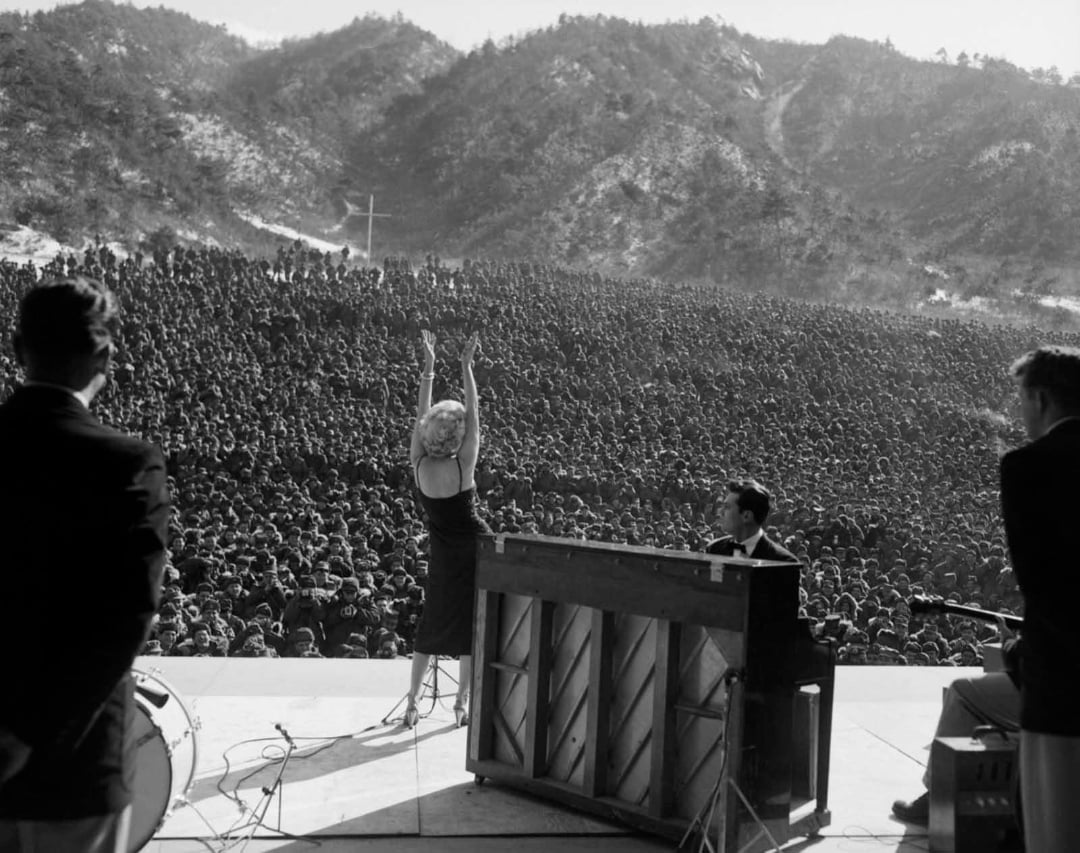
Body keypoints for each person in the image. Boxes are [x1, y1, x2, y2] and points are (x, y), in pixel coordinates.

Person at [0, 276, 170, 852]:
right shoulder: (126, 463)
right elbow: (124, 620)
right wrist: (27, 736)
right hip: (71, 773)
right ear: (105, 356)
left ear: (18, 349)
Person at [999, 345, 1080, 853]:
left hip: (1064, 682)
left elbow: (1042, 581)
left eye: (1022, 399)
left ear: (1042, 398)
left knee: (1055, 831)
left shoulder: (1028, 467)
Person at [403, 330, 491, 729]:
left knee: (432, 623)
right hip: (474, 549)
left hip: (441, 552)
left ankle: (411, 704)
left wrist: (429, 370)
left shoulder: (419, 465)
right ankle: (461, 705)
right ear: (457, 435)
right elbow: (475, 416)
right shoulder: (463, 464)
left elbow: (420, 417)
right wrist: (467, 368)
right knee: (470, 625)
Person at [704, 480, 798, 562]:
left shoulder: (783, 562)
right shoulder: (714, 550)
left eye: (727, 507)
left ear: (746, 516)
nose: (720, 511)